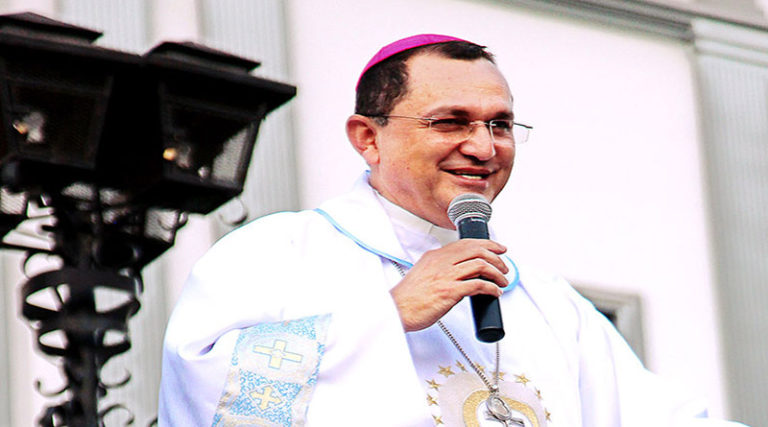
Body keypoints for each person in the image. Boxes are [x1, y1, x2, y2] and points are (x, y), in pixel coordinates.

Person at [158, 34, 747, 426]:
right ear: (368, 137)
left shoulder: (549, 302)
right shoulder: (278, 253)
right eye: (451, 122)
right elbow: (207, 388)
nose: (484, 148)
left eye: (501, 125)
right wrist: (391, 314)